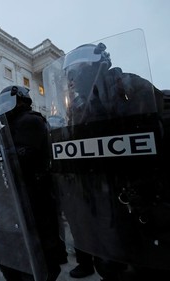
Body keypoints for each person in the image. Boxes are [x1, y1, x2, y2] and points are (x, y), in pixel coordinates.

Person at [56, 42, 169, 281]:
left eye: (76, 72)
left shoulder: (129, 85)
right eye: (69, 75)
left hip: (141, 197)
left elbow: (153, 135)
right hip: (102, 198)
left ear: (95, 66)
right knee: (108, 265)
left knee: (147, 264)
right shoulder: (77, 106)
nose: (71, 80)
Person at [0, 85, 62, 281]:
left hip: (34, 198)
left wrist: (1, 157)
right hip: (10, 199)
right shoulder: (4, 130)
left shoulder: (31, 121)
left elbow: (27, 157)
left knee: (39, 250)